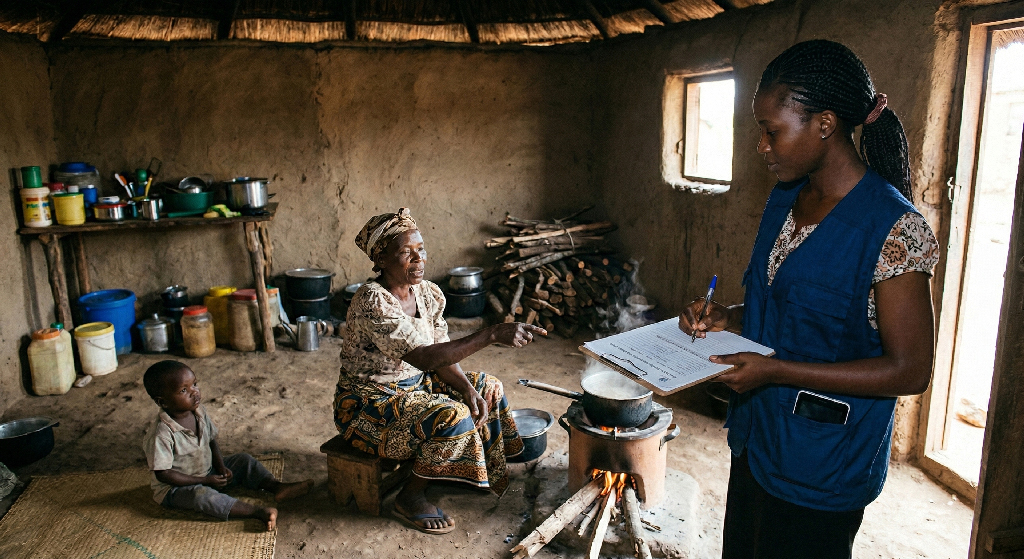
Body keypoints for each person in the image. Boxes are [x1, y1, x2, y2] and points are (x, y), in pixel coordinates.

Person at [678, 40, 940, 559]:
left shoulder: (894, 230)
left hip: (825, 463)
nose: (762, 147)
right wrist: (727, 316)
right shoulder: (785, 199)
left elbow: (910, 370)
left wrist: (775, 372)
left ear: (824, 123)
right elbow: (784, 304)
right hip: (758, 440)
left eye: (772, 131)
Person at [334, 208, 546, 535]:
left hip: (416, 388)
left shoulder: (429, 294)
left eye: (421, 249)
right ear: (382, 259)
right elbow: (425, 357)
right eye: (406, 252)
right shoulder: (372, 300)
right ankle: (410, 497)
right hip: (368, 407)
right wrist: (490, 334)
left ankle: (470, 469)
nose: (418, 259)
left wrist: (467, 388)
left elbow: (444, 356)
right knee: (454, 416)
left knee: (487, 387)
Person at [142, 360, 312, 530]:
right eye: (184, 390)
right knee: (202, 496)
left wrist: (221, 467)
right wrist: (204, 480)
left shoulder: (199, 412)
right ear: (163, 402)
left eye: (194, 384)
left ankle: (277, 487)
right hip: (176, 488)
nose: (195, 392)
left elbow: (211, 441)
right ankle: (257, 512)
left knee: (243, 460)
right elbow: (163, 474)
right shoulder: (161, 433)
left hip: (208, 472)